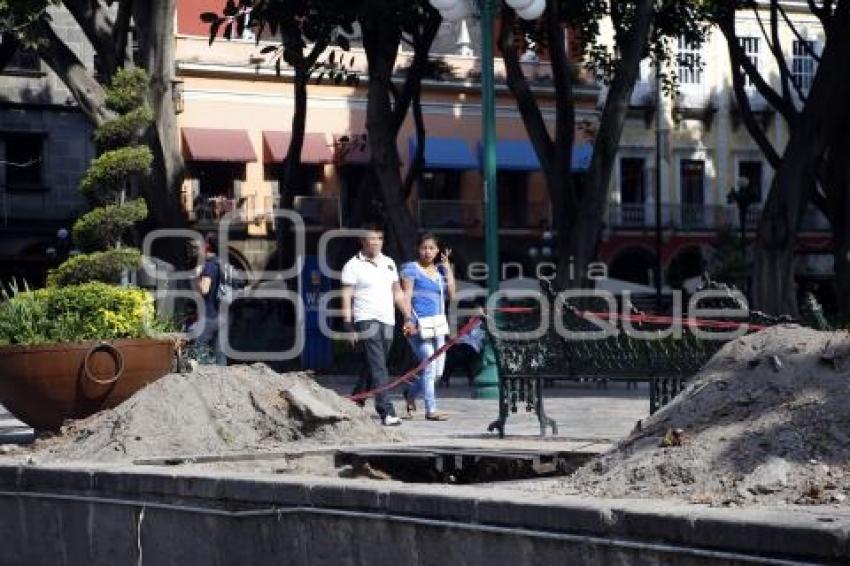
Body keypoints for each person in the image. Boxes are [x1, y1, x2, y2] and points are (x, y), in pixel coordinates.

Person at [340, 224, 413, 426]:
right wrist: (348, 326)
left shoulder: (389, 262)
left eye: (379, 238)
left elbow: (397, 292)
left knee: (373, 365)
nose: (376, 242)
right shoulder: (352, 265)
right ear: (362, 241)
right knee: (379, 366)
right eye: (372, 239)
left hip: (387, 319)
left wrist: (407, 316)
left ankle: (356, 401)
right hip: (366, 319)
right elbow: (346, 298)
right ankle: (386, 411)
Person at [400, 233, 456, 421]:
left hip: (438, 326)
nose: (428, 252)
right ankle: (431, 410)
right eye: (424, 248)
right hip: (418, 326)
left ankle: (410, 393)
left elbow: (452, 295)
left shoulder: (440, 271)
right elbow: (406, 295)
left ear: (437, 251)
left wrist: (448, 269)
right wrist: (408, 320)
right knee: (429, 366)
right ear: (418, 249)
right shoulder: (411, 269)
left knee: (437, 373)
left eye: (431, 248)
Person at [196, 233, 227, 366]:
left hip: (209, 316)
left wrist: (197, 276)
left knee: (198, 350)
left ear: (207, 248)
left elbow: (204, 289)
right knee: (220, 353)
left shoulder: (209, 266)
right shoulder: (222, 264)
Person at [440, 307, 486, 388]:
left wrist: (471, 327)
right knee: (451, 352)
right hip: (460, 343)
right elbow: (458, 335)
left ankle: (445, 378)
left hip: (473, 345)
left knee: (459, 355)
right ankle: (446, 378)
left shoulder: (482, 324)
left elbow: (475, 336)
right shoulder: (466, 322)